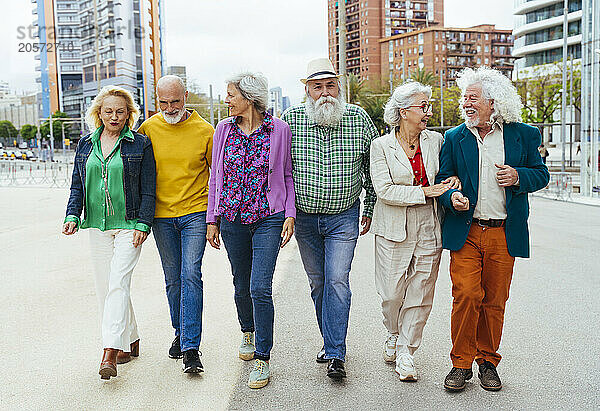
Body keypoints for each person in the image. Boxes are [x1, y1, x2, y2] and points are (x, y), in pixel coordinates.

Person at [435, 67, 549, 392]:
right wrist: (450, 196)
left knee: (495, 300)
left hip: (503, 232)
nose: (466, 104)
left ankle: (487, 361)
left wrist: (518, 177)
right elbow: (444, 180)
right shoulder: (455, 137)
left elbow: (541, 174)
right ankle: (460, 363)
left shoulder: (523, 135)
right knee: (466, 295)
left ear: (493, 102)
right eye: (464, 98)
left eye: (473, 98)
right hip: (467, 231)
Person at [281, 58, 379, 380]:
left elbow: (372, 168)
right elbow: (279, 172)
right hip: (305, 220)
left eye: (330, 85)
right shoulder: (289, 120)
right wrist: (286, 215)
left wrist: (369, 207)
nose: (325, 93)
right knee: (318, 282)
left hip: (344, 216)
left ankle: (336, 353)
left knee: (338, 280)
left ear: (339, 87)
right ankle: (330, 340)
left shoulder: (359, 118)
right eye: (317, 86)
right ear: (306, 90)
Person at [206, 72, 296, 389]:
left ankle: (263, 357)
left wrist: (290, 214)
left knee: (260, 286)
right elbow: (216, 175)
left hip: (268, 216)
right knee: (240, 283)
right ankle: (248, 328)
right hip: (231, 219)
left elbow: (286, 174)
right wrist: (212, 218)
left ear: (249, 97)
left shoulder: (279, 129)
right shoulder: (223, 130)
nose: (226, 100)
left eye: (231, 95)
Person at [62, 85, 156, 380]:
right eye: (108, 111)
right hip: (98, 225)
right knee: (108, 286)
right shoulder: (85, 144)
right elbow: (77, 184)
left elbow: (149, 189)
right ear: (98, 113)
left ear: (129, 114)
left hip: (130, 225)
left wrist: (144, 223)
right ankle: (132, 338)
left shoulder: (139, 144)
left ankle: (110, 350)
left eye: (120, 111)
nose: (114, 116)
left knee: (118, 282)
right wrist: (72, 214)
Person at [370, 81, 460, 381]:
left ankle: (408, 351)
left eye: (428, 106)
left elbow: (447, 172)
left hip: (428, 225)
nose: (428, 112)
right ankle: (392, 331)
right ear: (403, 110)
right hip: (393, 227)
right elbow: (384, 190)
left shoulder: (436, 141)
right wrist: (427, 191)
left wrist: (452, 182)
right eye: (423, 107)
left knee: (421, 291)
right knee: (391, 293)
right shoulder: (381, 146)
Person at [137, 75, 214, 374]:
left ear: (186, 97)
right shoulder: (148, 129)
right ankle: (180, 332)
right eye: (163, 102)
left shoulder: (205, 131)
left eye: (175, 101)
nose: (169, 108)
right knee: (173, 279)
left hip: (195, 212)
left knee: (191, 273)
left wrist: (213, 219)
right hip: (161, 216)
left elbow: (217, 176)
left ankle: (191, 348)